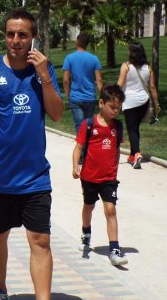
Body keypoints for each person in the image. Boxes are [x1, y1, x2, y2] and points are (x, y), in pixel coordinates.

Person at [0, 7, 64, 300]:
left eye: (23, 34)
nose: (16, 40)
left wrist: (44, 76)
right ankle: (0, 289)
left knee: (40, 240)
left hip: (35, 176)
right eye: (11, 34)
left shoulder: (44, 71)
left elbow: (58, 114)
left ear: (33, 37)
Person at [72, 84, 128, 266]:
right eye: (112, 107)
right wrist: (75, 166)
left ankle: (115, 249)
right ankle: (86, 232)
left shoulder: (117, 127)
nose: (116, 111)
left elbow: (117, 148)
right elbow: (78, 147)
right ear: (101, 103)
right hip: (89, 177)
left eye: (118, 108)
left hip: (109, 178)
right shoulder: (89, 125)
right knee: (88, 206)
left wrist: (115, 168)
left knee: (110, 210)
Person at [117, 42, 161, 169]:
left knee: (131, 129)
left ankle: (136, 153)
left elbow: (120, 84)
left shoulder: (126, 66)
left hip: (130, 102)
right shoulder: (148, 68)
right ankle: (132, 154)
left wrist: (111, 93)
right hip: (143, 102)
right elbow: (152, 87)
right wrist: (156, 103)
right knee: (135, 128)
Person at [62, 33, 103, 133]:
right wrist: (102, 96)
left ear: (77, 42)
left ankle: (82, 147)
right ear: (87, 44)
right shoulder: (94, 59)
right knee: (89, 125)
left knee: (79, 126)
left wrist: (68, 94)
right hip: (90, 97)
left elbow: (65, 80)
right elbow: (99, 80)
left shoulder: (69, 58)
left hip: (75, 97)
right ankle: (87, 147)